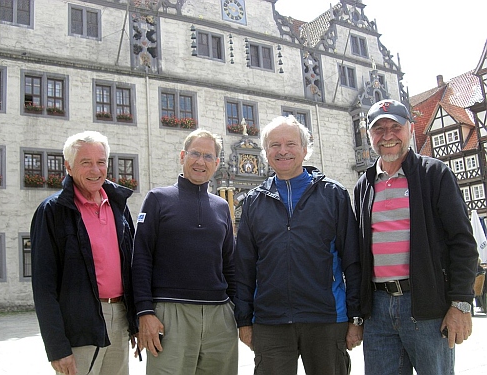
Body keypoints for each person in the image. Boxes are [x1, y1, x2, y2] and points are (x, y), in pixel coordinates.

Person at [353, 99, 479, 374]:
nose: (387, 136)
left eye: (394, 127)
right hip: (378, 309)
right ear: (369, 135)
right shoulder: (363, 185)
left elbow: (463, 243)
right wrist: (358, 314)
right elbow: (358, 255)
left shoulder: (434, 174)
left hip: (426, 307)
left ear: (410, 129)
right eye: (379, 129)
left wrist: (460, 304)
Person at [234, 115, 362, 375]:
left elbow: (353, 260)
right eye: (274, 145)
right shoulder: (254, 202)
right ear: (266, 152)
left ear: (305, 149)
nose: (282, 151)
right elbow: (244, 267)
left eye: (290, 144)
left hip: (326, 318)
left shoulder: (333, 195)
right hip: (271, 322)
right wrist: (244, 320)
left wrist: (356, 317)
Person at [30, 131, 137, 375]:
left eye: (101, 162)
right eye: (85, 162)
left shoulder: (118, 205)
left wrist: (135, 321)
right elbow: (43, 287)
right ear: (68, 166)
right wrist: (57, 348)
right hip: (78, 325)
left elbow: (131, 266)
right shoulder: (52, 211)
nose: (95, 170)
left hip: (119, 318)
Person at [132, 129, 238, 375]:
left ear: (216, 163)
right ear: (182, 156)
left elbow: (230, 264)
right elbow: (141, 258)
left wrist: (236, 311)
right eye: (195, 154)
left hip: (219, 316)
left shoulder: (222, 207)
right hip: (170, 316)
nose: (201, 161)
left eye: (208, 156)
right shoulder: (157, 199)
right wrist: (145, 312)